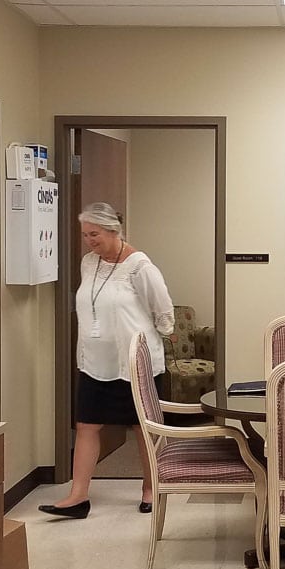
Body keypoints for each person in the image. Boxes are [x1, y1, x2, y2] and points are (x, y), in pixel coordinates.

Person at [39, 202, 175, 519]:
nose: (90, 241)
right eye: (85, 235)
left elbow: (163, 309)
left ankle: (151, 488)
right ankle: (77, 496)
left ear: (114, 230)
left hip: (134, 361)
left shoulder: (140, 266)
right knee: (86, 424)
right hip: (94, 361)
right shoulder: (89, 263)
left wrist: (162, 334)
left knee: (143, 426)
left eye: (95, 234)